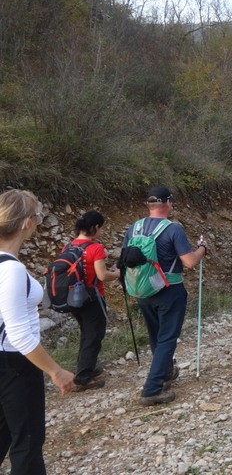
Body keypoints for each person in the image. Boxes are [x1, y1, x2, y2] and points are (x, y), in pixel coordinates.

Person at [0, 189, 74, 474]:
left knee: (5, 434)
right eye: (36, 216)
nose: (38, 221)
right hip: (16, 363)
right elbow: (20, 335)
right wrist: (55, 371)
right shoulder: (12, 271)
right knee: (28, 442)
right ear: (25, 223)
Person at [120, 186, 207, 406]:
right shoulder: (173, 229)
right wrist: (202, 249)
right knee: (167, 339)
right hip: (169, 290)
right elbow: (189, 262)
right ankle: (152, 389)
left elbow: (124, 259)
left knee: (156, 336)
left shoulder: (134, 228)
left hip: (142, 290)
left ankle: (166, 374)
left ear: (148, 205)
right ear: (168, 203)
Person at [66, 210, 117, 392]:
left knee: (86, 333)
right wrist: (117, 274)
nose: (101, 231)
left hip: (73, 299)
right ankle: (83, 378)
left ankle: (85, 367)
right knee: (94, 335)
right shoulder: (95, 248)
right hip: (92, 298)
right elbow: (102, 275)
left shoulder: (68, 247)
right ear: (95, 227)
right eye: (100, 228)